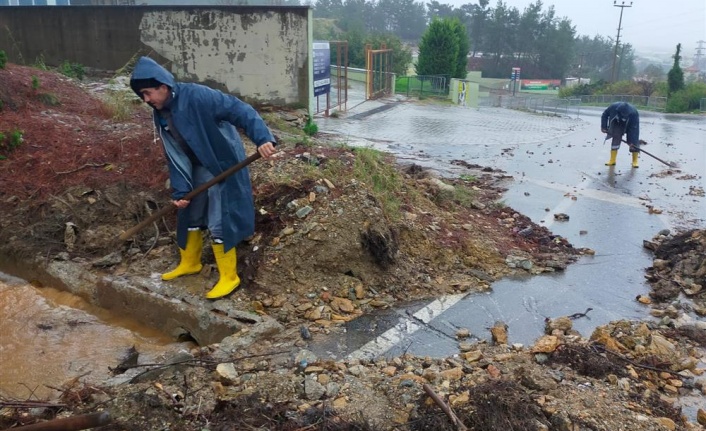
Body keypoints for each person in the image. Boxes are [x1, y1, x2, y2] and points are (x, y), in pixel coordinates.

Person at [129, 56, 276, 299]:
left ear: (163, 87)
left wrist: (262, 138)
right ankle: (190, 263)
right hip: (194, 166)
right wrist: (179, 191)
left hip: (221, 163)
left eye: (148, 93)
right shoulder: (161, 111)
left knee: (220, 217)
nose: (146, 100)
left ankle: (230, 277)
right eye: (142, 95)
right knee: (189, 211)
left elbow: (240, 110)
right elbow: (174, 154)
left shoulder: (198, 96)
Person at [601, 101, 640, 168]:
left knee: (634, 142)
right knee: (616, 138)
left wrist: (631, 141)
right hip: (617, 122)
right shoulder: (613, 107)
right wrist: (604, 127)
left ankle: (635, 161)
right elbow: (605, 115)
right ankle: (612, 160)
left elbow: (634, 129)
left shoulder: (634, 113)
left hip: (630, 124)